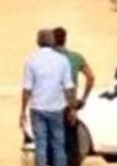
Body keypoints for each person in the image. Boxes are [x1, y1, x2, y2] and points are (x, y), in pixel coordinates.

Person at [21, 30, 76, 166]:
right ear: (53, 42)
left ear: (38, 41)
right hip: (56, 107)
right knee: (58, 143)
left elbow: (27, 88)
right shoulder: (62, 60)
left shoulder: (31, 60)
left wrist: (22, 110)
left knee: (41, 144)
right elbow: (68, 86)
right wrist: (72, 108)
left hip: (37, 107)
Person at [53, 27, 95, 166]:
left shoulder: (46, 58)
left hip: (50, 104)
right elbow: (90, 78)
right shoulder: (76, 58)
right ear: (65, 39)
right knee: (71, 142)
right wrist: (83, 99)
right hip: (69, 105)